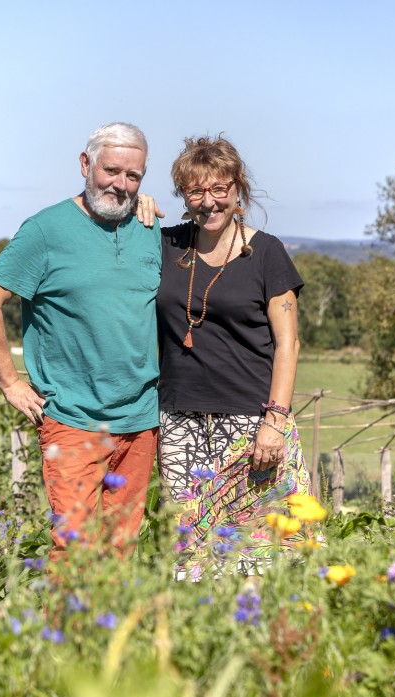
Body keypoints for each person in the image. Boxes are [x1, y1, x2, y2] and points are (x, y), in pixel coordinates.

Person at [0, 123, 161, 559]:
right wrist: (11, 384)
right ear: (85, 163)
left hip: (140, 419)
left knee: (121, 550)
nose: (121, 184)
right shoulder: (46, 230)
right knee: (74, 550)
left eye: (133, 176)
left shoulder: (150, 227)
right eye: (111, 170)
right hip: (73, 419)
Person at [138, 135, 315, 571]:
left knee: (267, 552)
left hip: (253, 423)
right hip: (180, 423)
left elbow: (288, 343)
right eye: (196, 190)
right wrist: (136, 205)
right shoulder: (166, 244)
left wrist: (275, 421)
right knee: (193, 554)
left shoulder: (267, 253)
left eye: (220, 188)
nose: (209, 201)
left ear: (238, 191)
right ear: (184, 197)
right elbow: (110, 230)